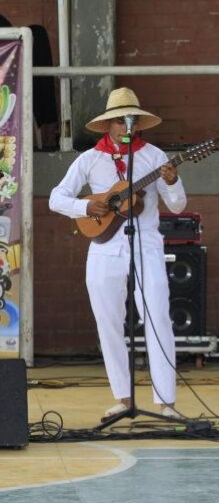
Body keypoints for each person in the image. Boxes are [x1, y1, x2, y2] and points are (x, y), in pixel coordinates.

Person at [48, 87, 186, 420]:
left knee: (158, 318)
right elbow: (56, 198)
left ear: (138, 124)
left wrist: (172, 181)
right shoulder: (90, 159)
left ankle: (165, 401)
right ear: (109, 124)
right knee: (108, 321)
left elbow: (178, 205)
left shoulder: (154, 156)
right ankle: (124, 398)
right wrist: (85, 205)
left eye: (131, 121)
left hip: (146, 244)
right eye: (119, 122)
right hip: (103, 247)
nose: (126, 127)